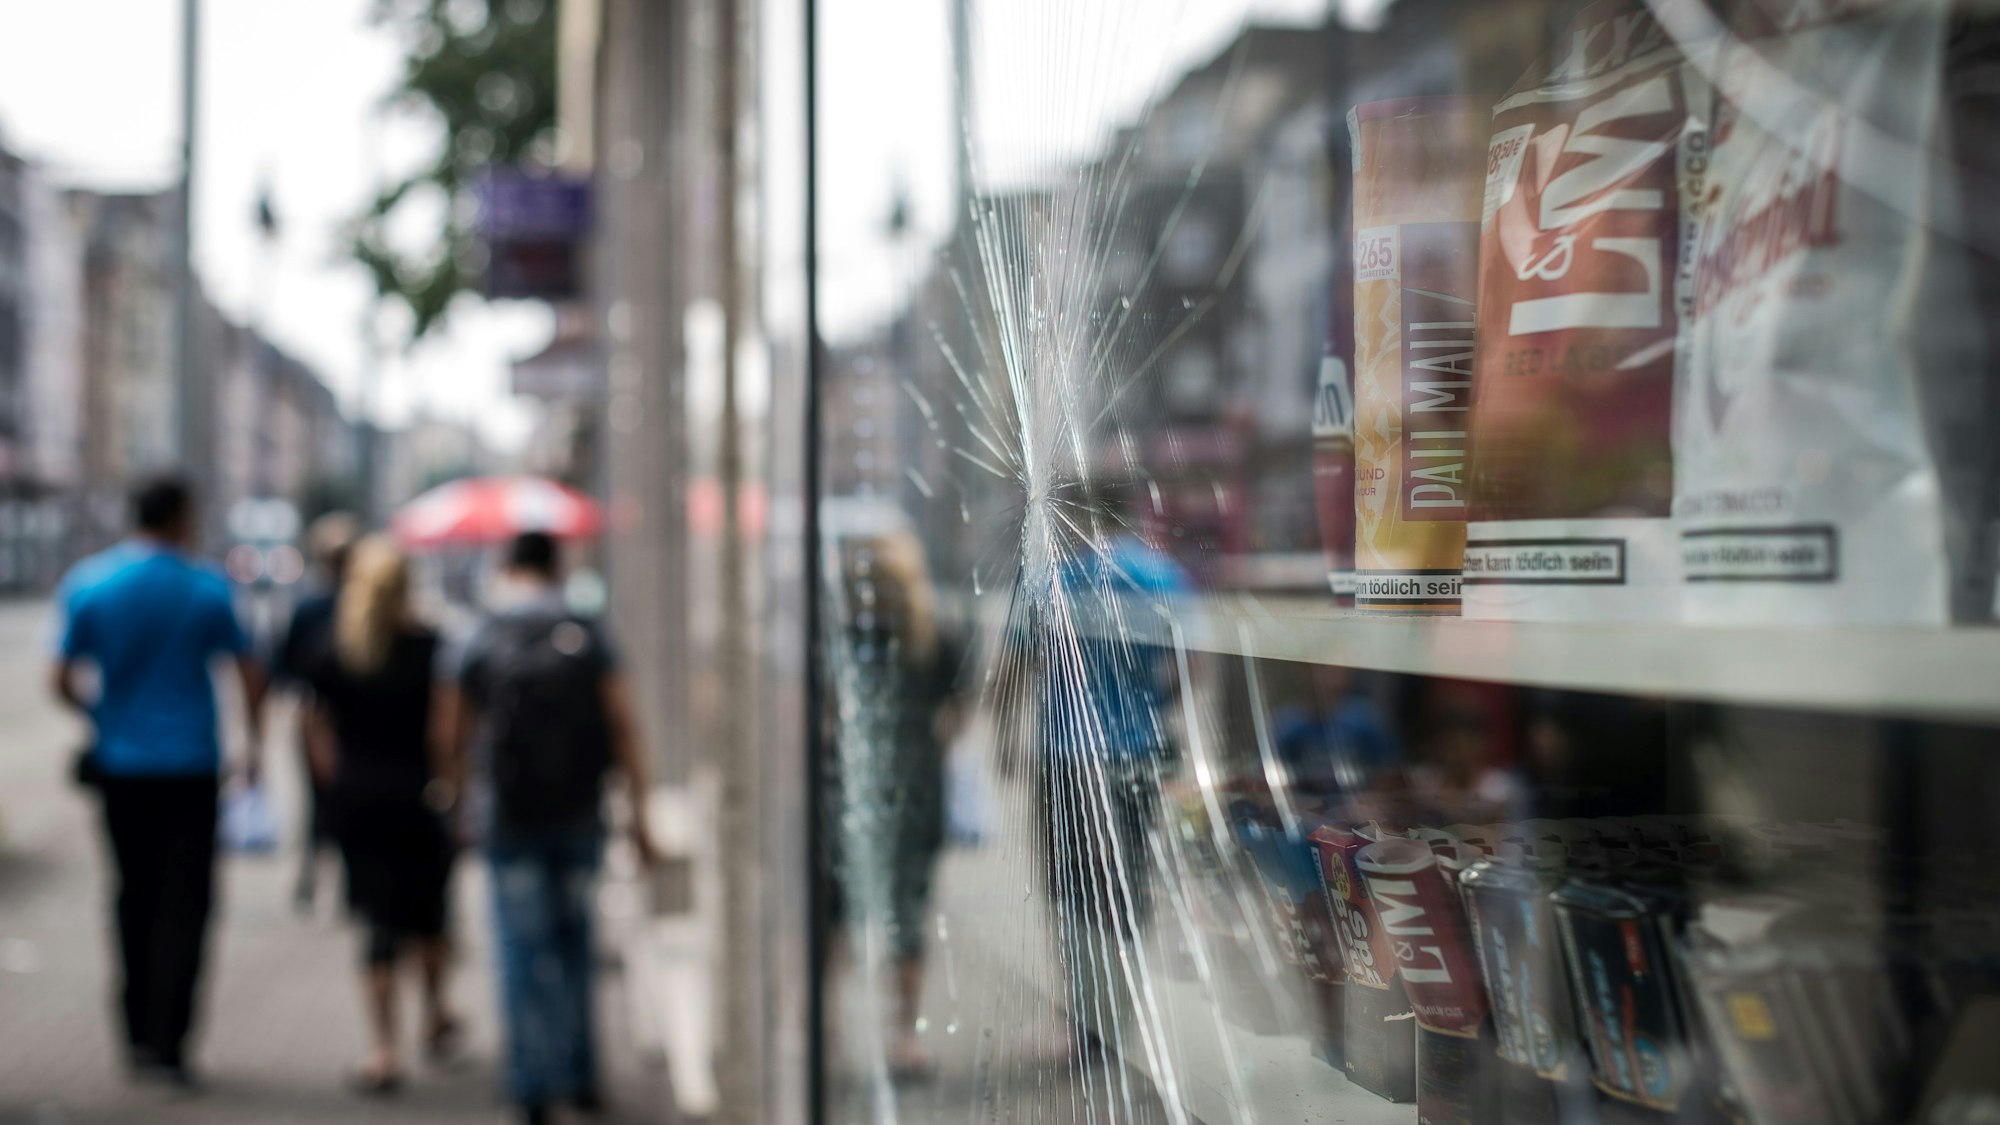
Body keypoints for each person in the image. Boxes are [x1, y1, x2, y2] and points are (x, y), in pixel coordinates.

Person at [49, 475, 266, 1089]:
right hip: (193, 768)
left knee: (131, 895)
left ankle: (136, 1033)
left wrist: (101, 716)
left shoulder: (90, 582)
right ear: (181, 517)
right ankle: (173, 1044)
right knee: (187, 904)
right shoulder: (206, 587)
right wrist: (254, 745)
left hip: (121, 769)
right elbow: (249, 672)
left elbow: (61, 676)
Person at [434, 531, 655, 1125]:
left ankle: (531, 1085)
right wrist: (640, 817)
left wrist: (455, 801)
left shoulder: (480, 632)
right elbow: (624, 727)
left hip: (509, 818)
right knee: (577, 945)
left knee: (519, 949)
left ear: (508, 568)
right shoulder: (587, 631)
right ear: (556, 568)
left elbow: (449, 729)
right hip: (582, 813)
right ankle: (581, 1076)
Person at [301, 535, 461, 1094]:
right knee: (429, 916)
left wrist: (336, 780)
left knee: (376, 924)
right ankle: (435, 1012)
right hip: (417, 799)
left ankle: (383, 1048)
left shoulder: (333, 648)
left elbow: (312, 724)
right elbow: (446, 732)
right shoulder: (430, 645)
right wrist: (453, 788)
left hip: (358, 801)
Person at [830, 529, 959, 1079]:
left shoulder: (839, 636)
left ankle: (828, 1038)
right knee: (907, 915)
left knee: (837, 911)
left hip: (849, 787)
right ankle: (903, 1038)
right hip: (915, 787)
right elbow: (953, 718)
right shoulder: (931, 637)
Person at [274, 511, 361, 911]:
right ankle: (331, 878)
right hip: (337, 718)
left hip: (322, 717)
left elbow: (282, 666)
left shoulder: (313, 606)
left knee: (321, 800)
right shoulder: (349, 606)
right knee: (336, 800)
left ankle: (320, 876)